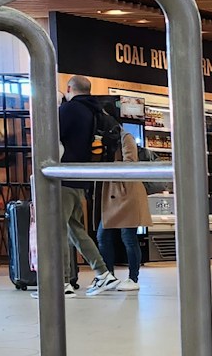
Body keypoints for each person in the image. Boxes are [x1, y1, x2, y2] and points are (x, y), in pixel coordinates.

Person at [54, 75, 120, 296]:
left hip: (62, 177)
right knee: (75, 229)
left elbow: (51, 136)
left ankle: (61, 282)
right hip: (80, 179)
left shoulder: (69, 110)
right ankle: (103, 273)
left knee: (57, 229)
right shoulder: (94, 111)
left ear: (70, 88)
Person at [95, 124, 151, 292]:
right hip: (112, 194)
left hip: (127, 193)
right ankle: (108, 276)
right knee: (103, 236)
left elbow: (131, 162)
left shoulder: (126, 137)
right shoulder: (102, 139)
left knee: (128, 237)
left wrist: (111, 165)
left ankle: (133, 278)